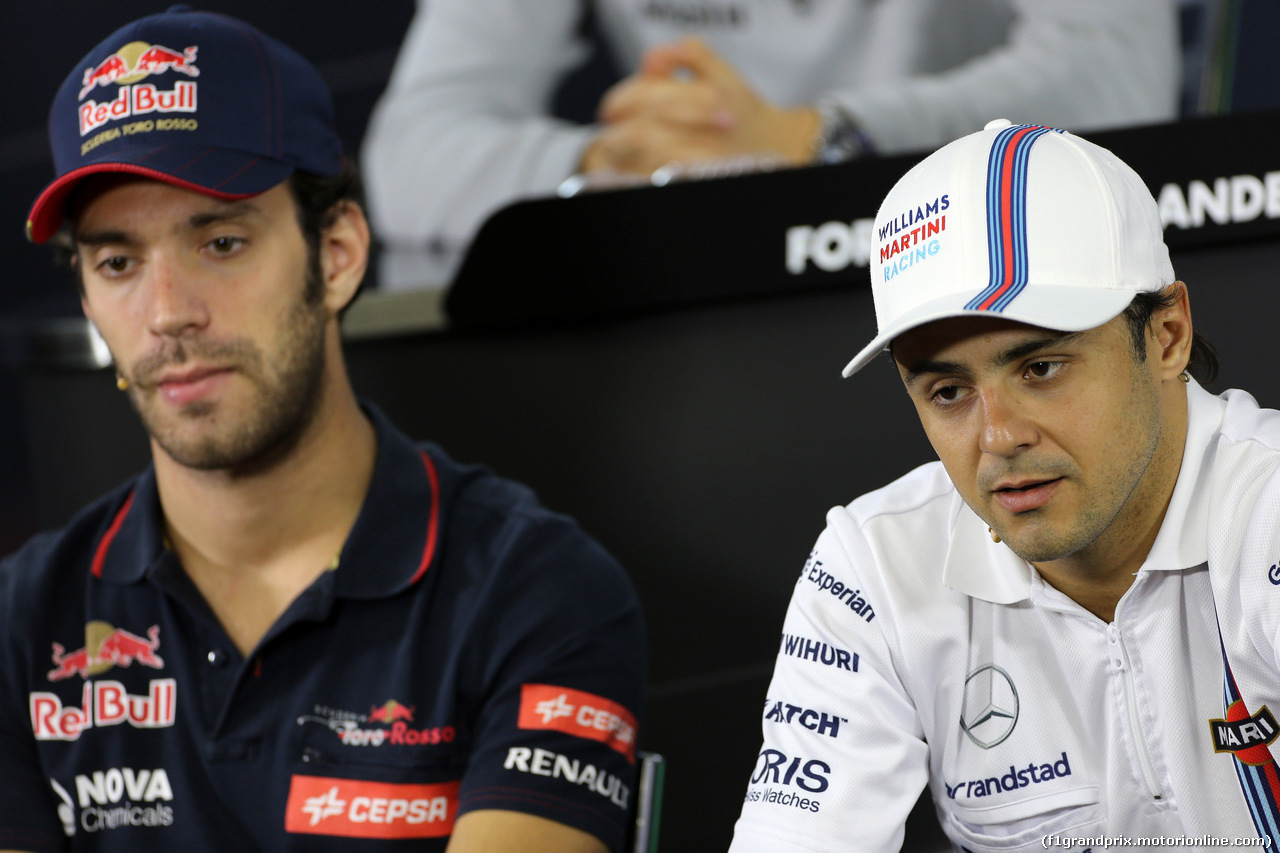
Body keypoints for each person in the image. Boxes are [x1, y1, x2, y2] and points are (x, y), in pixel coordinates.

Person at [0, 9, 644, 852]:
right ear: (87, 299)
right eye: (117, 263)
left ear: (336, 253)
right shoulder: (20, 623)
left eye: (222, 242)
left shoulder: (538, 593)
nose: (167, 314)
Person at [728, 118, 1280, 850]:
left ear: (1166, 334)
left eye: (1040, 368)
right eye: (948, 390)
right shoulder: (874, 569)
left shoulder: (1266, 509)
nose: (998, 436)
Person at [361, 0, 1180, 290]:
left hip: (977, 267)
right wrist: (612, 164)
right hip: (695, 292)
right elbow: (409, 154)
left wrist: (818, 142)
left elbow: (1119, 79)